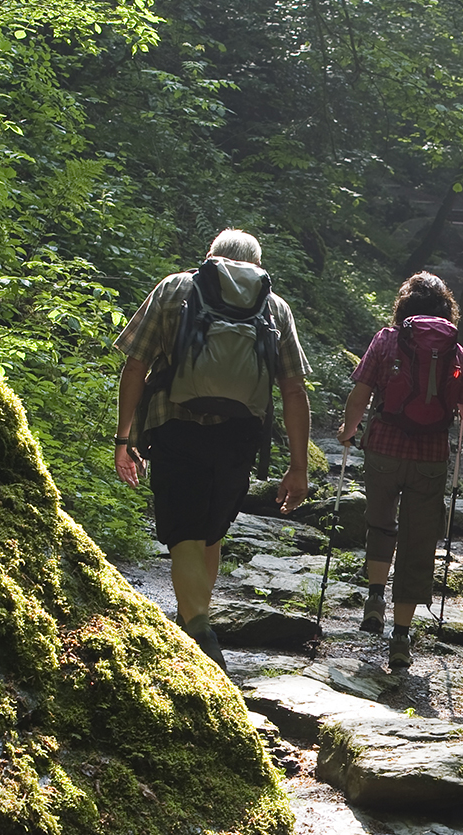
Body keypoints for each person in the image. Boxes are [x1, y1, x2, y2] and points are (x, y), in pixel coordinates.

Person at [113, 229, 312, 671]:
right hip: (240, 435)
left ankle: (200, 633)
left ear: (211, 259)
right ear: (256, 265)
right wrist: (298, 466)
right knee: (212, 532)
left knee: (184, 533)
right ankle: (194, 630)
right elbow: (294, 389)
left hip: (174, 424)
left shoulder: (175, 288)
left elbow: (136, 362)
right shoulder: (273, 305)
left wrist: (124, 436)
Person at [337, 272, 463, 670]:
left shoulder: (387, 339)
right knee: (418, 541)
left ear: (403, 307)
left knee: (380, 523)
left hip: (383, 446)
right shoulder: (453, 349)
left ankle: (375, 598)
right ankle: (401, 636)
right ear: (445, 310)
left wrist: (349, 431)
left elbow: (361, 392)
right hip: (431, 458)